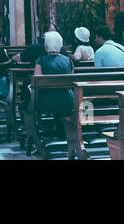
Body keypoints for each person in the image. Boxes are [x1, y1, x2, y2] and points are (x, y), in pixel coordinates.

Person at [30, 30, 84, 159]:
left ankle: (36, 143)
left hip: (45, 102)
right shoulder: (67, 60)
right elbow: (73, 81)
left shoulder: (41, 60)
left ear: (46, 46)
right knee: (62, 103)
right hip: (67, 101)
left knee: (27, 108)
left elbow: (37, 83)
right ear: (60, 45)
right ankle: (65, 137)